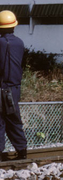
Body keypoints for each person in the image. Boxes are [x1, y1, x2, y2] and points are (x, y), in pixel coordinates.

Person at [0, 11, 27, 161]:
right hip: (15, 88)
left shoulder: (1, 43)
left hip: (2, 87)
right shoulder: (19, 43)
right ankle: (22, 150)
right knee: (13, 119)